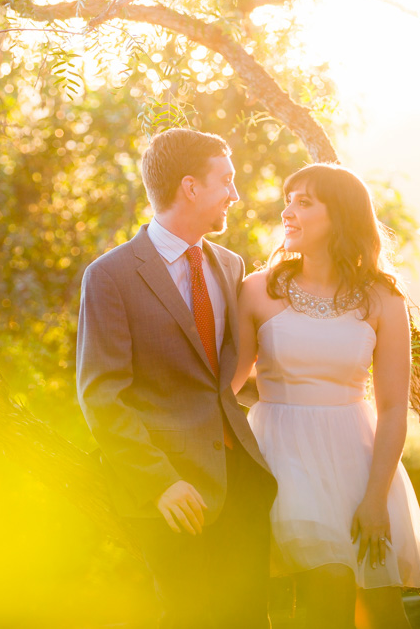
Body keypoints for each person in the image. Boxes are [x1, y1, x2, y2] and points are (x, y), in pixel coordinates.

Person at [77, 128, 277, 628]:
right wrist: (161, 483)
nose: (235, 194)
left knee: (250, 619)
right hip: (173, 496)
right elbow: (102, 395)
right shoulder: (110, 275)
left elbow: (230, 374)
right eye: (226, 181)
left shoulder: (231, 266)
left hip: (243, 484)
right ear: (191, 187)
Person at [233, 164, 420, 629]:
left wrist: (375, 499)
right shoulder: (257, 291)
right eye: (288, 199)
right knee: (328, 587)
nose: (288, 211)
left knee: (383, 612)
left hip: (358, 459)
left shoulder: (383, 299)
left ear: (341, 215)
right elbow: (229, 386)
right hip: (283, 456)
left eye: (305, 202)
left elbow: (391, 409)